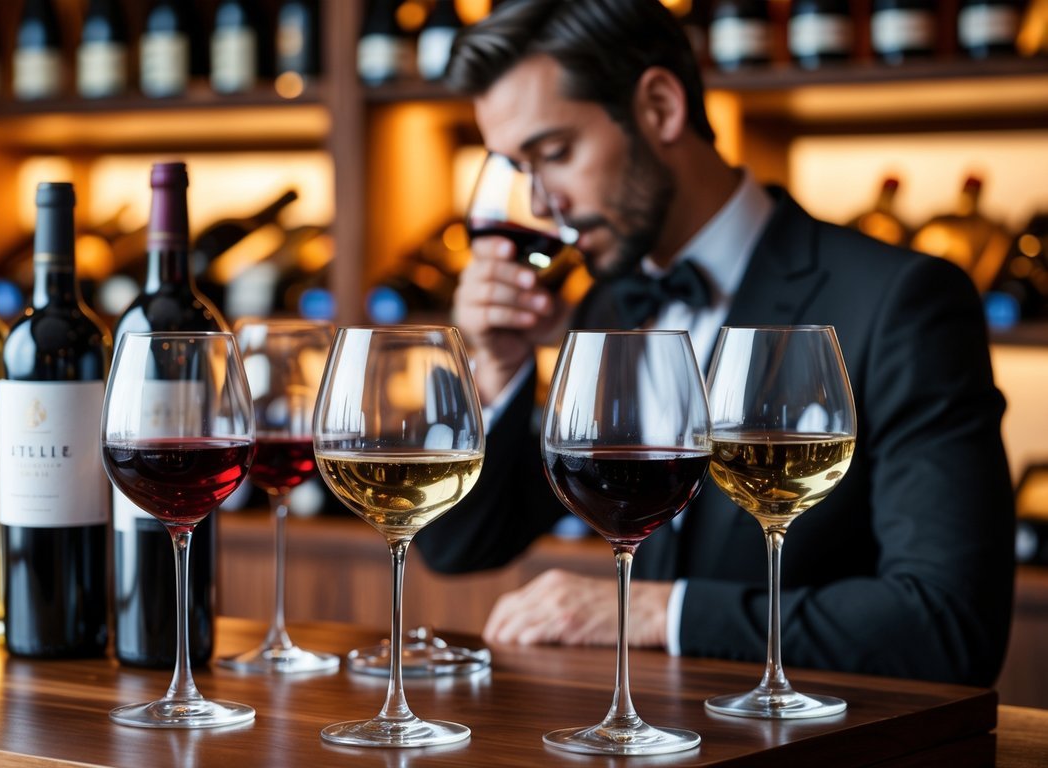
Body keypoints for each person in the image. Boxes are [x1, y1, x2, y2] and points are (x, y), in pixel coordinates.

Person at [414, 0, 1016, 687]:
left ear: (661, 107)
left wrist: (656, 615)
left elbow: (948, 624)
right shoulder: (609, 304)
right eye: (517, 169)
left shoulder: (902, 301)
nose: (540, 202)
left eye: (553, 154)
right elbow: (458, 545)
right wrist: (496, 368)